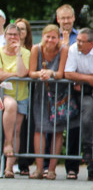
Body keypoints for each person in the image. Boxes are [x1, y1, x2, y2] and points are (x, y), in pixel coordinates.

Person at [63, 28, 93, 182]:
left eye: (82, 41)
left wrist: (81, 79)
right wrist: (90, 79)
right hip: (85, 94)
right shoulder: (73, 50)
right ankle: (87, 150)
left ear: (91, 43)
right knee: (86, 117)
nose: (78, 44)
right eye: (77, 40)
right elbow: (68, 73)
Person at [28, 24, 69, 180]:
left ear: (58, 38)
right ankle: (39, 169)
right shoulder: (36, 49)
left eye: (54, 37)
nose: (50, 40)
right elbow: (31, 72)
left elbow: (60, 73)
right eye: (48, 36)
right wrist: (40, 73)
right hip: (41, 92)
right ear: (43, 37)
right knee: (40, 129)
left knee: (57, 130)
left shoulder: (63, 49)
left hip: (58, 94)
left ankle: (51, 169)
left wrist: (51, 73)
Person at [0, 23, 30, 176]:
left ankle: (9, 167)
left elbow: (22, 73)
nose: (13, 37)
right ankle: (8, 143)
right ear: (5, 36)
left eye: (15, 35)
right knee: (10, 105)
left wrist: (18, 53)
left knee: (17, 130)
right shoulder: (0, 52)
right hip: (4, 95)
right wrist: (14, 75)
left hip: (22, 95)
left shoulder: (25, 53)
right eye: (10, 34)